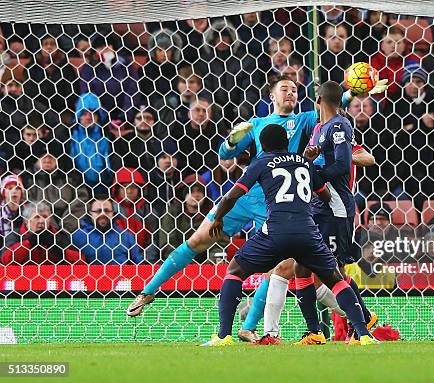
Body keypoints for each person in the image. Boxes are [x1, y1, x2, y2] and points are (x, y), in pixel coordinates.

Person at [126, 74, 386, 317]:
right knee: (197, 241)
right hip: (246, 196)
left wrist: (355, 92)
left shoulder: (306, 119)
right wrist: (230, 141)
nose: (291, 94)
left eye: (295, 90)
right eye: (284, 89)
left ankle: (251, 326)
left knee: (281, 268)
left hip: (278, 204)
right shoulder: (257, 124)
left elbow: (330, 103)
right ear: (272, 96)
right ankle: (148, 291)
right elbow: (224, 155)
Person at [200, 123, 377, 346]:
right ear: (286, 142)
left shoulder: (261, 163)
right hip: (308, 232)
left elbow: (229, 197)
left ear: (262, 146)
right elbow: (324, 195)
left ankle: (225, 335)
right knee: (334, 278)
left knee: (235, 270)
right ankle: (363, 335)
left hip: (275, 232)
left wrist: (217, 219)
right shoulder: (304, 162)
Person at [1, 201, 83, 265]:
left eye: (45, 217)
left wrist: (59, 251)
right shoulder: (15, 235)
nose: (41, 221)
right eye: (36, 217)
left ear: (50, 219)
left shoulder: (59, 236)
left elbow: (81, 262)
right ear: (26, 221)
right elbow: (5, 261)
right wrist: (30, 242)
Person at [71, 198, 143, 264]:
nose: (103, 214)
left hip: (120, 277)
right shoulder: (77, 236)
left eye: (107, 211)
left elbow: (138, 264)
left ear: (113, 213)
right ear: (90, 214)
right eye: (98, 211)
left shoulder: (126, 236)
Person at [70, 93, 112, 194]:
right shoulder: (70, 137)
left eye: (93, 113)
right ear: (78, 116)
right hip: (78, 189)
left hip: (104, 189)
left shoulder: (107, 138)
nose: (89, 117)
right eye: (84, 113)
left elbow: (111, 167)